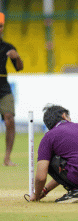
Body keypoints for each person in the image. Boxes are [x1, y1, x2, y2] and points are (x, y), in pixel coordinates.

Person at [0, 12, 24, 166]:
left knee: (10, 120)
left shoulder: (8, 47)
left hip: (3, 87)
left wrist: (16, 57)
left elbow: (20, 68)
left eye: (0, 26)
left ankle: (7, 158)